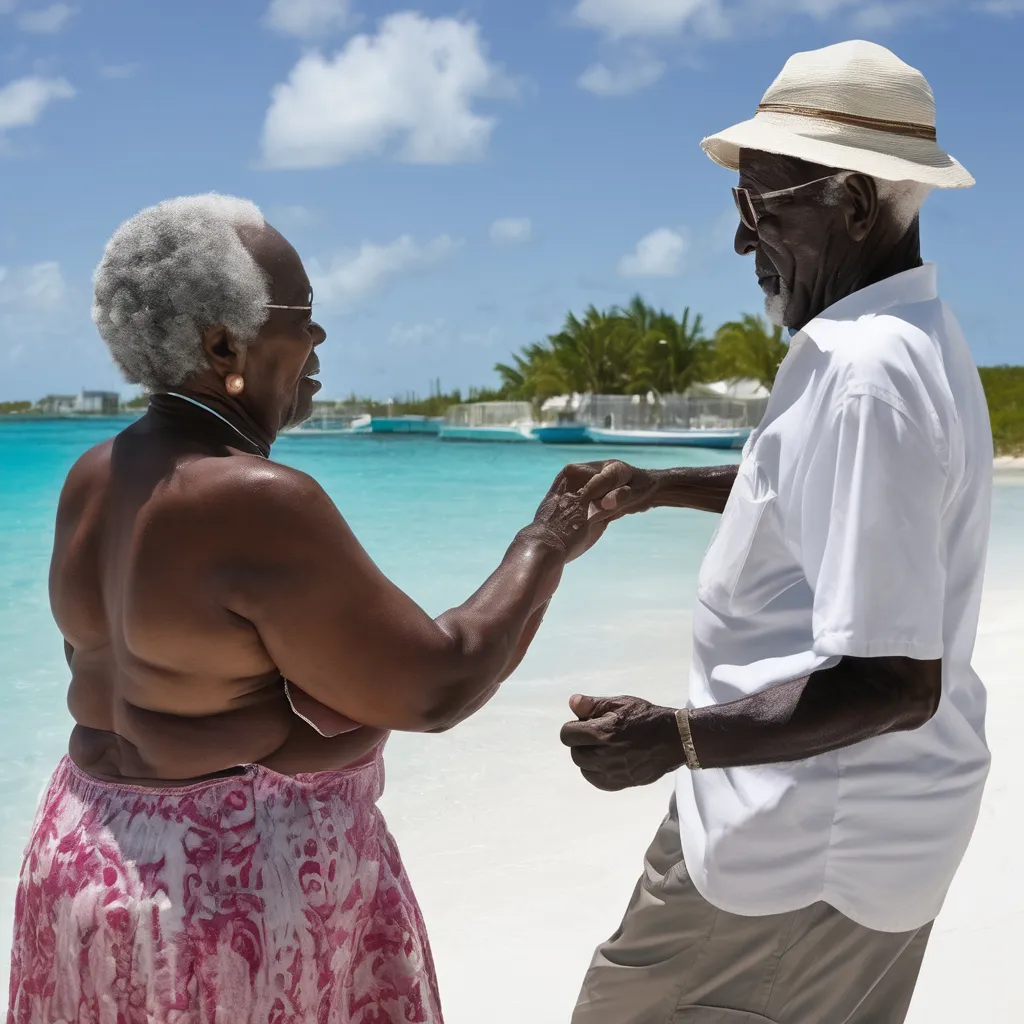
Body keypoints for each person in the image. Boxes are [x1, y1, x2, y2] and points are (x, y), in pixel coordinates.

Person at [6, 194, 610, 1024]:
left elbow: (160, 682)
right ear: (224, 343)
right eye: (302, 316)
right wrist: (545, 543)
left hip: (82, 864)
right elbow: (438, 685)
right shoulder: (256, 498)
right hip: (218, 907)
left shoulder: (91, 476)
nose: (320, 340)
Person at [561, 40, 992, 1023]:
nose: (741, 242)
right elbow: (813, 489)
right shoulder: (912, 335)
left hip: (796, 857)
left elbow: (892, 680)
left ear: (849, 202)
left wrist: (669, 737)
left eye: (762, 209)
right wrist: (656, 485)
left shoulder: (864, 368)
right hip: (839, 837)